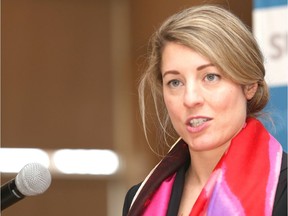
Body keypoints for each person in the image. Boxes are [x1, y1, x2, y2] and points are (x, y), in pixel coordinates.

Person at [122, 4, 287, 216]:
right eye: (175, 82)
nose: (190, 99)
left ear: (249, 85)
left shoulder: (282, 190)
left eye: (210, 77)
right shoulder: (140, 200)